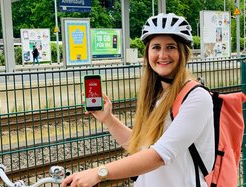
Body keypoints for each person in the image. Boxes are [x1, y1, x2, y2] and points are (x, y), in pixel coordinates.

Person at [62, 13, 215, 187]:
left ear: (183, 53)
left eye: (171, 47)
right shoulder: (158, 96)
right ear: (148, 53)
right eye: (156, 47)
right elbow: (140, 148)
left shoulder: (196, 98)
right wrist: (108, 119)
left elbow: (159, 155)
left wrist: (99, 173)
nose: (162, 54)